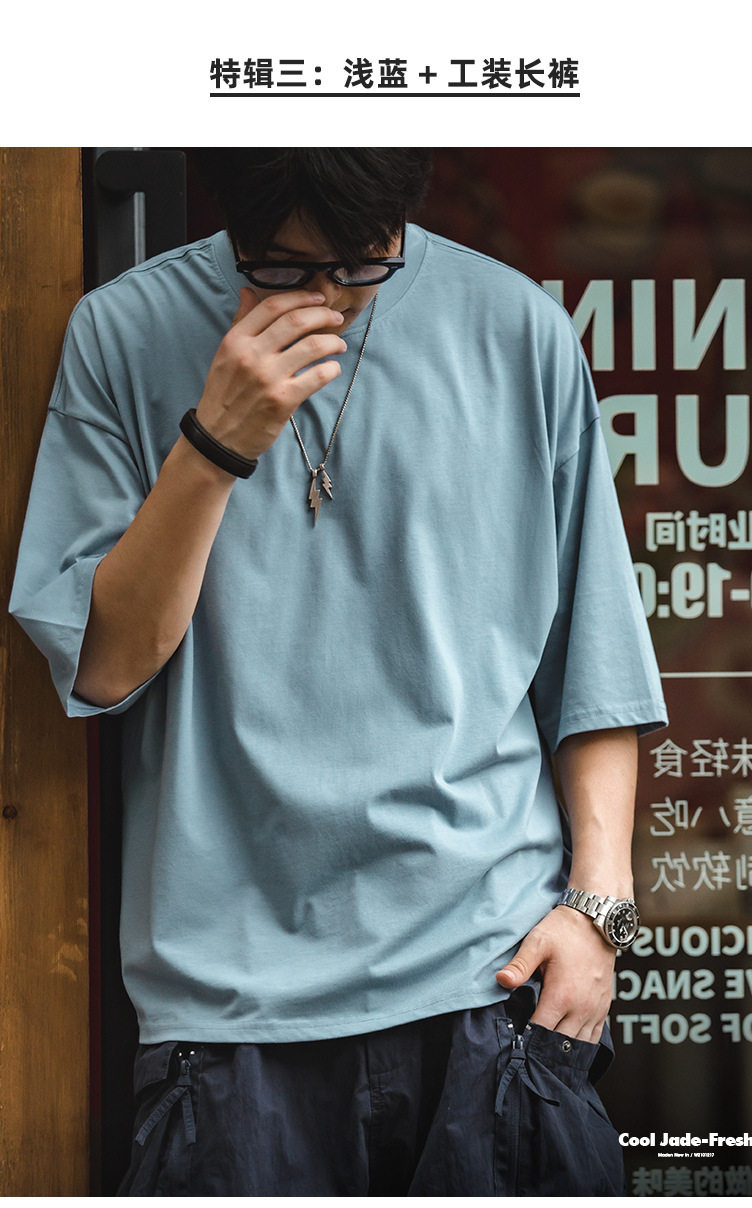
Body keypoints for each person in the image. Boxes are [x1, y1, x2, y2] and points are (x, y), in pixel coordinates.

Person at [10, 148, 667, 1196]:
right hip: (230, 1006)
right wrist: (215, 443)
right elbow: (103, 666)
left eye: (364, 262)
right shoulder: (124, 331)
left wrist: (599, 912)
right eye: (280, 266)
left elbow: (590, 663)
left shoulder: (516, 327)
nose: (329, 296)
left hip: (489, 983)